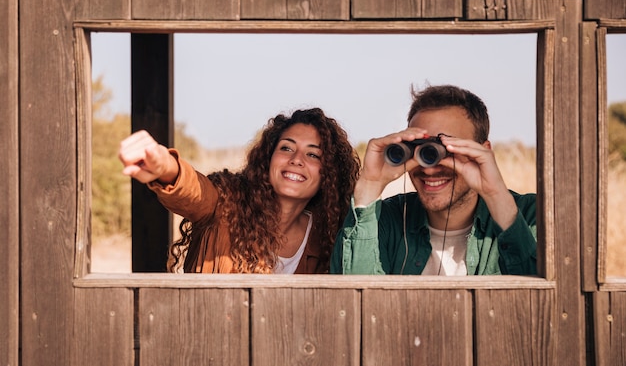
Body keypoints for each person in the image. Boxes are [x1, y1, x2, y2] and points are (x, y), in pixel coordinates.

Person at [119, 108, 360, 274]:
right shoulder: (227, 204)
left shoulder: (327, 237)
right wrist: (166, 167)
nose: (297, 159)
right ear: (268, 159)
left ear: (328, 173)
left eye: (312, 154)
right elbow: (194, 191)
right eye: (286, 148)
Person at [330, 84, 537, 275]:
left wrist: (496, 195)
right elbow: (352, 298)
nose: (429, 169)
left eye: (446, 149)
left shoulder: (532, 217)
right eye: (419, 148)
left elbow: (541, 299)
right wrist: (370, 185)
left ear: (483, 152)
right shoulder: (385, 220)